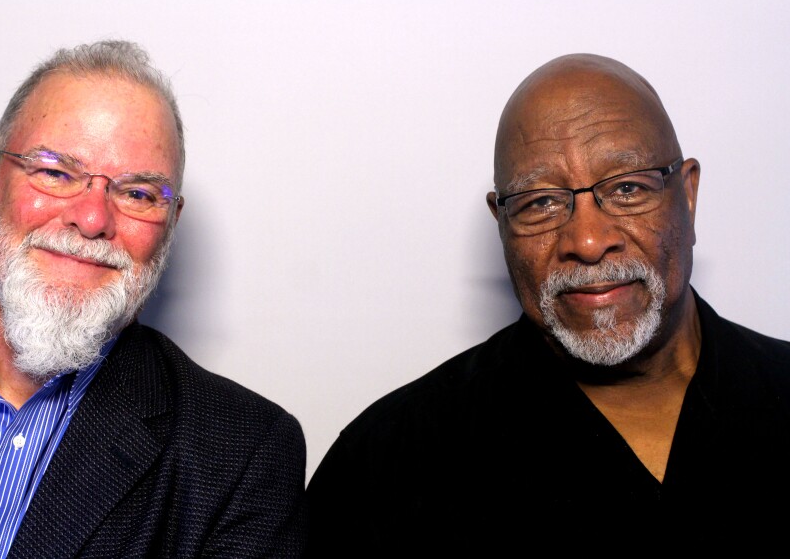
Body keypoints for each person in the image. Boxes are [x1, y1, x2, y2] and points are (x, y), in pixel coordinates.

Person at [305, 53, 790, 556]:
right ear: (502, 224)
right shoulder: (388, 463)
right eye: (542, 202)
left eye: (627, 188)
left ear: (687, 197)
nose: (587, 239)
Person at [0, 40, 306, 558]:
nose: (93, 219)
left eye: (138, 194)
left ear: (170, 226)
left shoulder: (242, 456)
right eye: (55, 172)